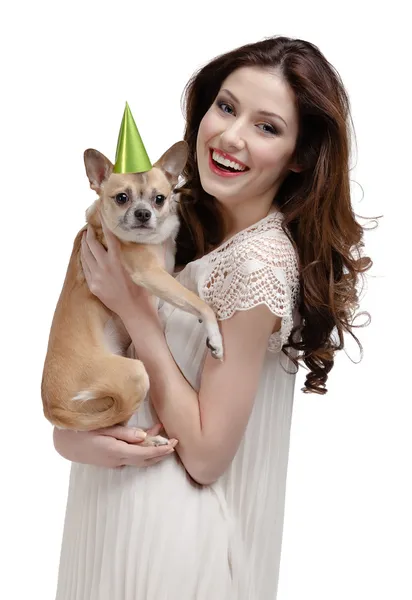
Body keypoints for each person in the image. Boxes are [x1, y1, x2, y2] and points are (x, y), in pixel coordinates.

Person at [52, 35, 371, 600]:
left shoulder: (257, 261)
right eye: (226, 107)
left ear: (300, 155)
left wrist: (136, 310)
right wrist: (73, 441)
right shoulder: (179, 227)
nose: (230, 135)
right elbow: (107, 389)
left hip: (168, 542)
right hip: (112, 514)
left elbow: (205, 454)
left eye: (267, 127)